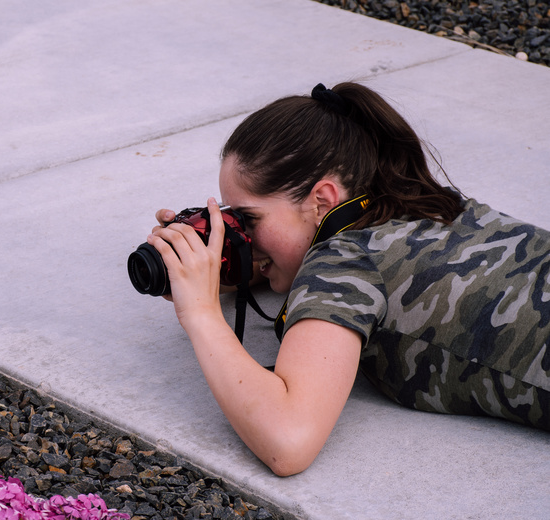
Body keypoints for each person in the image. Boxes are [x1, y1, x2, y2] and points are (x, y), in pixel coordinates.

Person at [146, 82, 550, 477]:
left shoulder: (345, 262)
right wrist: (217, 257)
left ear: (322, 199)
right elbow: (293, 240)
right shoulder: (429, 201)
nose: (243, 235)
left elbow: (288, 441)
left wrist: (200, 312)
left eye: (248, 219)